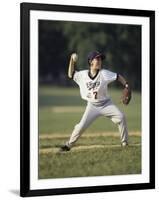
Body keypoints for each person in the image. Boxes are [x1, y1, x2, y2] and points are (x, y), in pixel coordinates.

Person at [60, 51, 131, 152]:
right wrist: (71, 60)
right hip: (92, 106)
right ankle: (68, 145)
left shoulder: (104, 73)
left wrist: (126, 85)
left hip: (106, 104)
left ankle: (124, 142)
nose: (99, 61)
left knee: (121, 117)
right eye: (97, 59)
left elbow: (118, 76)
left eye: (100, 59)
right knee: (81, 127)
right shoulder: (83, 75)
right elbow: (71, 74)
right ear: (90, 61)